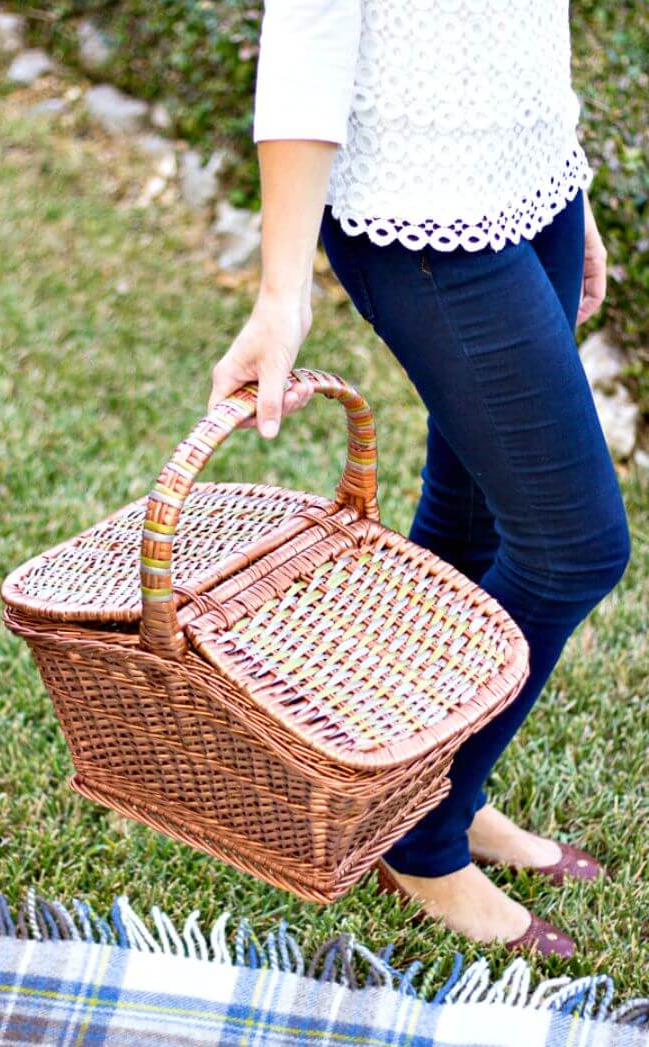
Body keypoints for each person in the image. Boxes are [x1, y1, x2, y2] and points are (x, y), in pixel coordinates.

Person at [207, 0, 631, 957]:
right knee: (574, 546)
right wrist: (282, 292)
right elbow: (306, 43)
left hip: (530, 190)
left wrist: (568, 195)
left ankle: (435, 786)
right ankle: (419, 838)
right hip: (422, 211)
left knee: (475, 512)